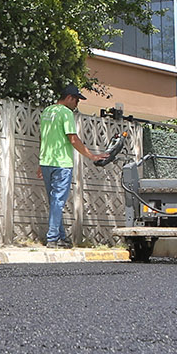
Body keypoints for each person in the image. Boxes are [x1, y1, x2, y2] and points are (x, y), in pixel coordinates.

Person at [39, 84, 106, 248]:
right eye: (76, 100)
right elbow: (73, 139)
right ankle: (52, 237)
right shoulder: (66, 113)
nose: (77, 104)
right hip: (62, 164)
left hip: (46, 162)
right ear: (69, 98)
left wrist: (40, 163)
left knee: (54, 201)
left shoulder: (47, 111)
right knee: (58, 201)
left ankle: (61, 237)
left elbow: (44, 138)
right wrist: (92, 156)